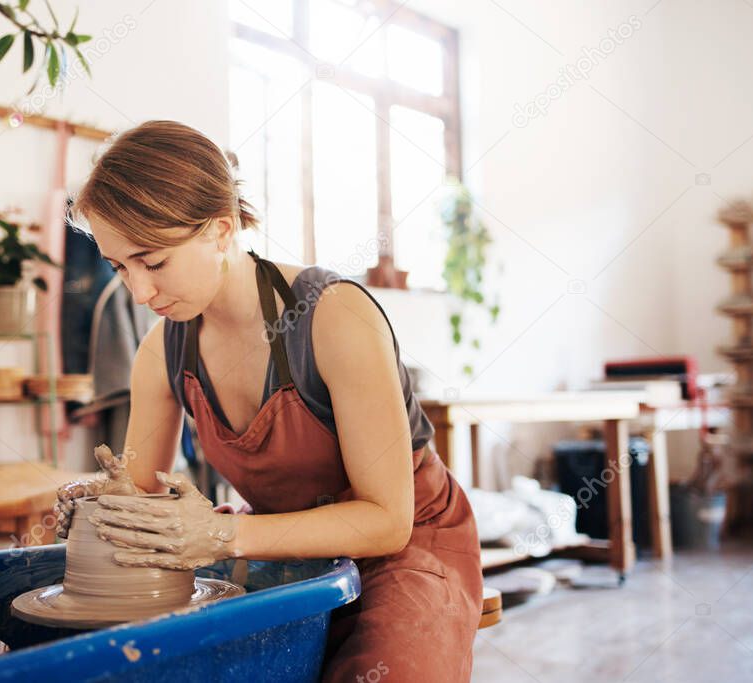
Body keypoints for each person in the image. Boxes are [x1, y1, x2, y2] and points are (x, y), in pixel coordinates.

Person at [54, 120, 482, 682]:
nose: (140, 292)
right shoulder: (162, 350)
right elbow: (139, 486)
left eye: (154, 262)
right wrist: (103, 501)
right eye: (119, 267)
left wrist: (221, 534)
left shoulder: (335, 317)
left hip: (408, 550)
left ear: (220, 228)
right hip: (283, 545)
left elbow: (387, 522)